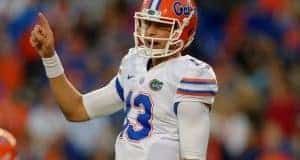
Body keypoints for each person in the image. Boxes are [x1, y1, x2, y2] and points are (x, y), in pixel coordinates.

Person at [30, 0, 218, 159]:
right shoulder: (134, 64)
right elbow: (76, 109)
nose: (150, 32)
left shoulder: (191, 74)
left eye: (161, 25)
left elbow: (193, 156)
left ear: (184, 30)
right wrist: (49, 56)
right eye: (148, 23)